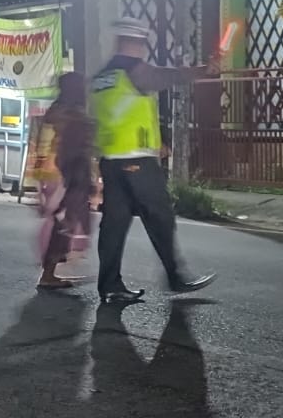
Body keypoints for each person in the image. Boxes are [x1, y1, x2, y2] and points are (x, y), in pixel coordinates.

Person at [90, 19, 215, 304]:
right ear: (135, 43)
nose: (143, 50)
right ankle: (175, 277)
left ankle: (110, 285)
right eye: (142, 44)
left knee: (114, 226)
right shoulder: (133, 71)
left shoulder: (102, 77)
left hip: (111, 161)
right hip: (137, 163)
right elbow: (167, 77)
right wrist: (202, 70)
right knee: (160, 217)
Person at [36, 71, 94, 290]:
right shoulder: (71, 115)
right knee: (63, 224)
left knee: (64, 223)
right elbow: (74, 150)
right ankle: (48, 273)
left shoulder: (58, 111)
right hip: (69, 175)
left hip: (62, 174)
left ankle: (51, 270)